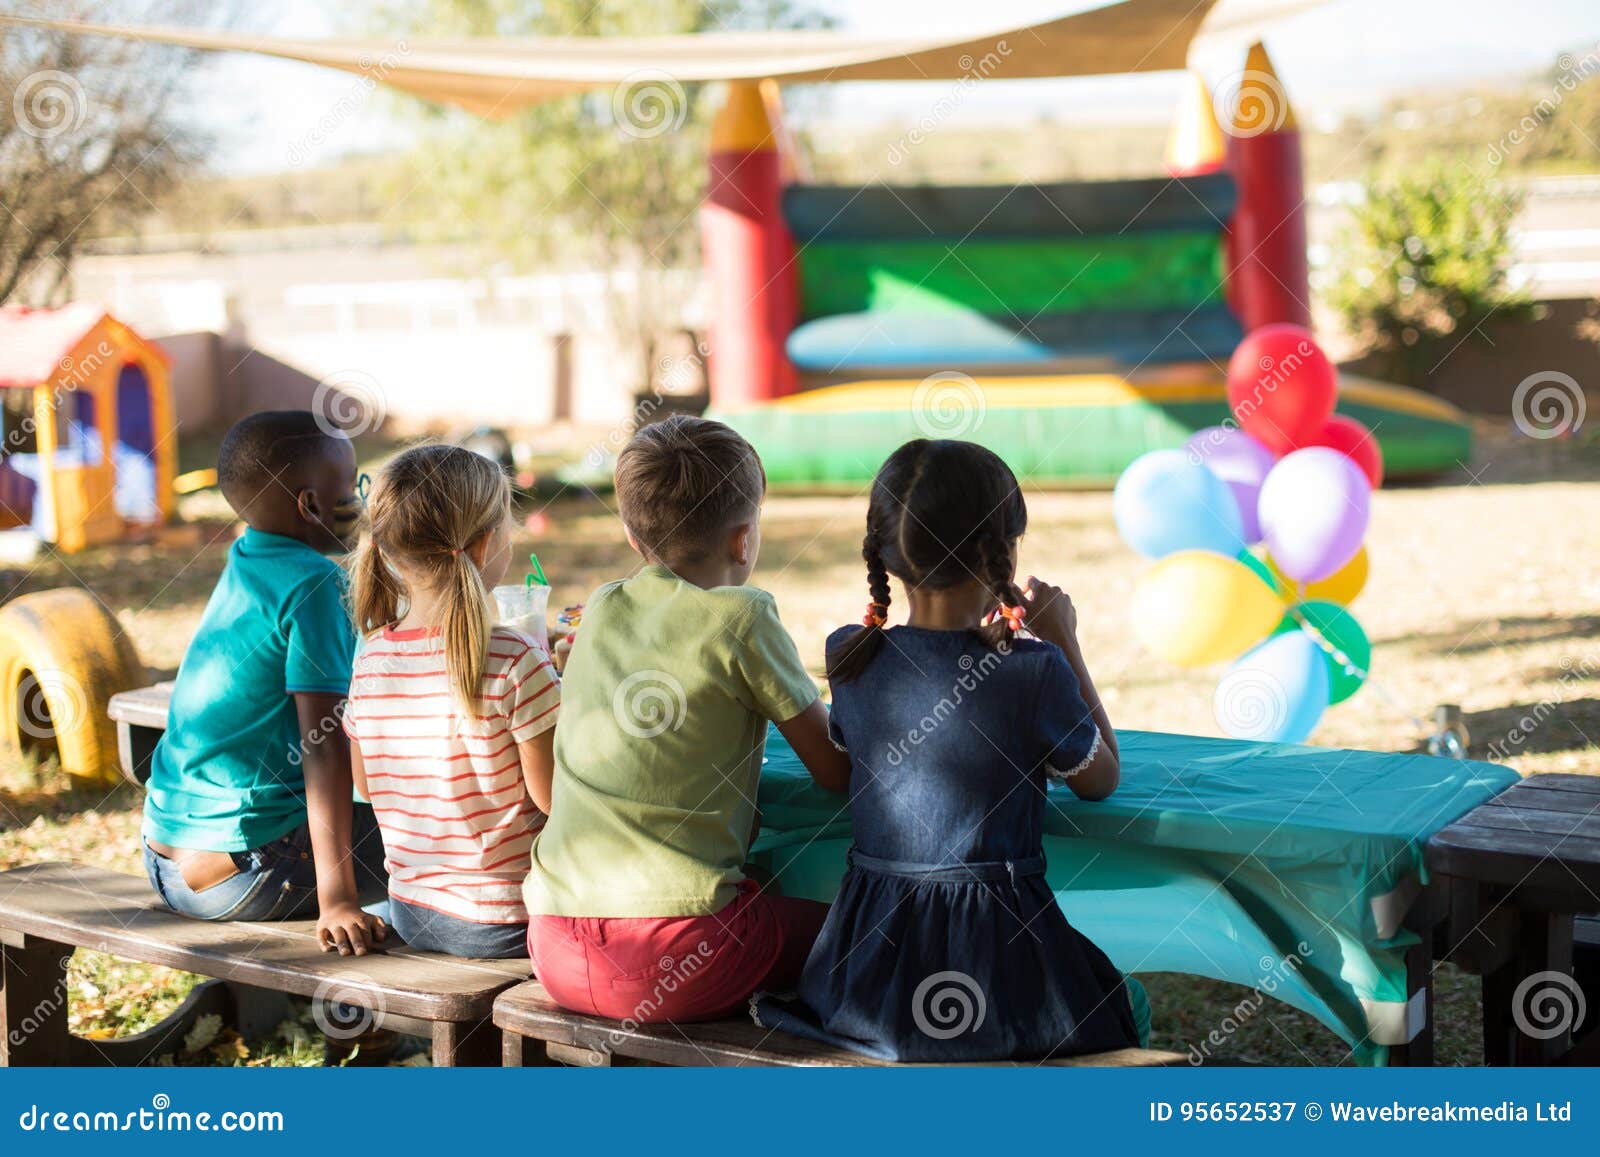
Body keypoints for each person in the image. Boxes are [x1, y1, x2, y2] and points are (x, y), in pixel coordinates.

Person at [753, 438, 1147, 1061]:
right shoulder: (1032, 670)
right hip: (1000, 959)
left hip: (864, 971)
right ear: (1006, 553)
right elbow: (1103, 778)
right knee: (1126, 1003)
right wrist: (1064, 639)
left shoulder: (851, 656)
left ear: (885, 553)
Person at [524, 415, 849, 1022]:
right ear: (743, 539)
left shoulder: (599, 607)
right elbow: (835, 770)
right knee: (873, 929)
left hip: (552, 946)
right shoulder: (744, 616)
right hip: (678, 958)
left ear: (632, 535)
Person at [142, 411, 385, 956]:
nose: (359, 499)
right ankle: (373, 1023)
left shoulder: (250, 553)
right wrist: (337, 900)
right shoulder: (316, 581)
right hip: (244, 873)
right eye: (351, 485)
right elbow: (325, 745)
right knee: (431, 827)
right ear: (311, 505)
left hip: (164, 858)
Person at [344, 444, 558, 959]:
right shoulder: (515, 656)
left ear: (388, 552)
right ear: (487, 546)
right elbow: (557, 801)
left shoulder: (372, 658)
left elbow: (366, 788)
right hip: (511, 919)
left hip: (414, 913)